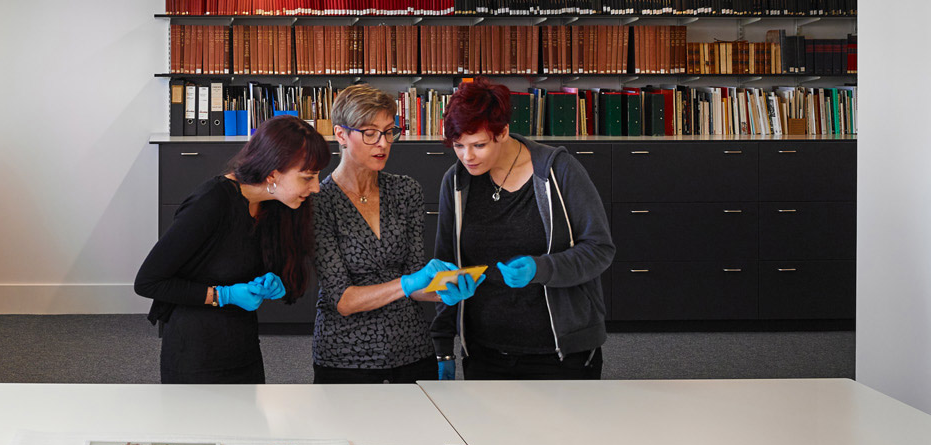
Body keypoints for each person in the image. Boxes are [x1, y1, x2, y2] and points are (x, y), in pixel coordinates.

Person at [431, 80, 614, 380]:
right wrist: (443, 346)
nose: (467, 157)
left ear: (502, 133)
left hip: (561, 354)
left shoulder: (559, 170)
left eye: (479, 145)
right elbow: (446, 264)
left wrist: (541, 268)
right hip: (484, 352)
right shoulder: (456, 182)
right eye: (458, 145)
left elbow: (599, 249)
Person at [135, 116, 329, 383]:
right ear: (273, 173)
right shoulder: (211, 203)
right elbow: (148, 282)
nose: (317, 187)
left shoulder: (276, 204)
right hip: (194, 350)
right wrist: (222, 295)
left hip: (242, 343)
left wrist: (273, 279)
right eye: (307, 177)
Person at [312, 84, 476, 384]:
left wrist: (443, 291)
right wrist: (408, 282)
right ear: (341, 135)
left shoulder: (405, 190)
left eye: (389, 131)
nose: (383, 143)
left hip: (410, 349)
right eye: (370, 133)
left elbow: (415, 280)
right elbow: (343, 300)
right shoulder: (319, 202)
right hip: (346, 356)